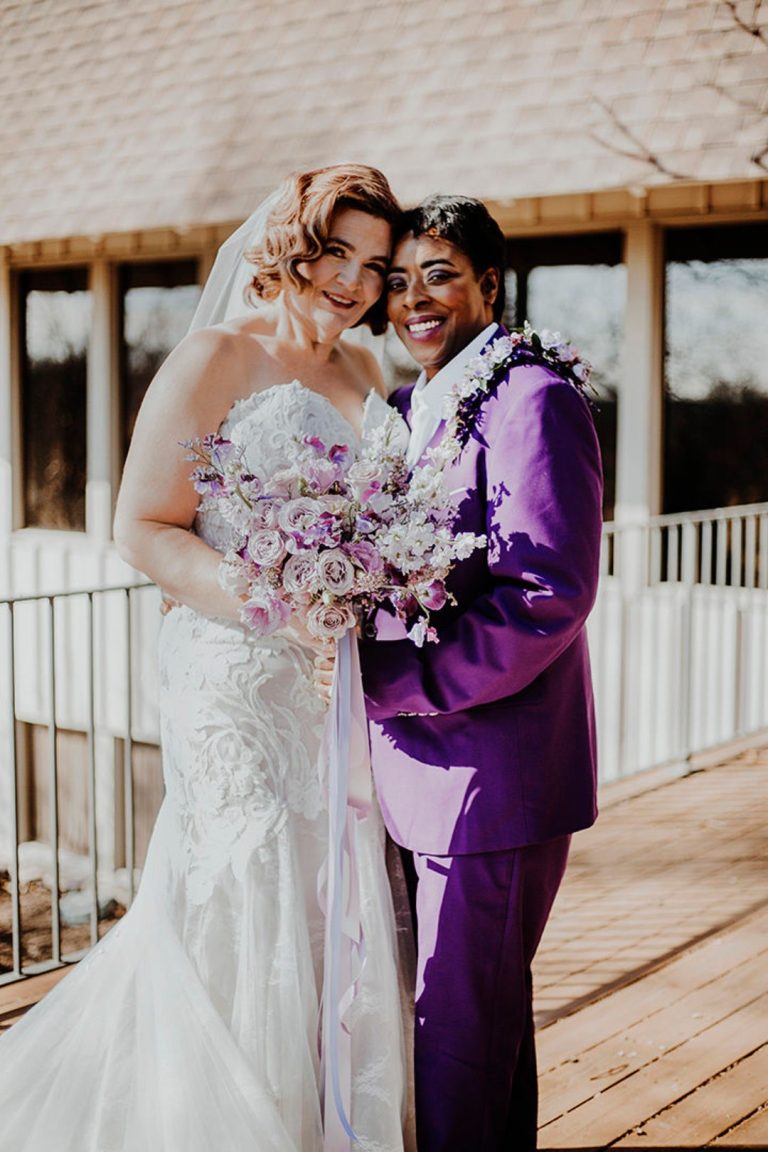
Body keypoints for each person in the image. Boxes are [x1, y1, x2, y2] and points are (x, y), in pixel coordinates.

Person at [0, 165, 410, 1152]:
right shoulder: (214, 359)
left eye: (375, 265)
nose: (354, 281)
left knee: (324, 892)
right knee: (246, 882)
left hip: (329, 689)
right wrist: (283, 603)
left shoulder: (368, 377)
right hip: (233, 677)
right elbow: (142, 529)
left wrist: (369, 584)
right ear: (292, 247)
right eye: (336, 253)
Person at [360, 195, 603, 1152]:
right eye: (400, 279)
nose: (415, 299)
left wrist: (397, 684)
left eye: (440, 274)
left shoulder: (531, 397)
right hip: (421, 775)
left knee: (454, 1036)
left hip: (489, 781)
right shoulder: (409, 406)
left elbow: (546, 591)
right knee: (479, 1029)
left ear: (489, 284)